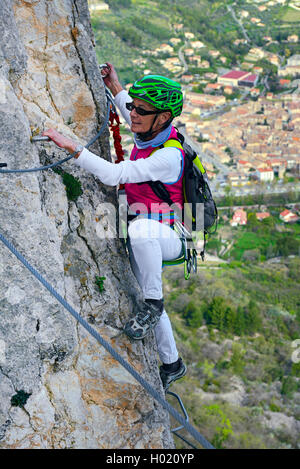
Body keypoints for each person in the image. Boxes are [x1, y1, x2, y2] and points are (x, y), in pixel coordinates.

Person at [43, 63, 187, 390]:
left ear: (163, 117)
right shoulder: (151, 128)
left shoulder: (169, 155)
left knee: (149, 286)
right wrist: (115, 84)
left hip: (168, 233)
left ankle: (154, 304)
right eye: (134, 107)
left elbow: (113, 175)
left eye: (142, 109)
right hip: (147, 229)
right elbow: (129, 111)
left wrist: (70, 146)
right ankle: (172, 363)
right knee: (144, 290)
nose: (133, 113)